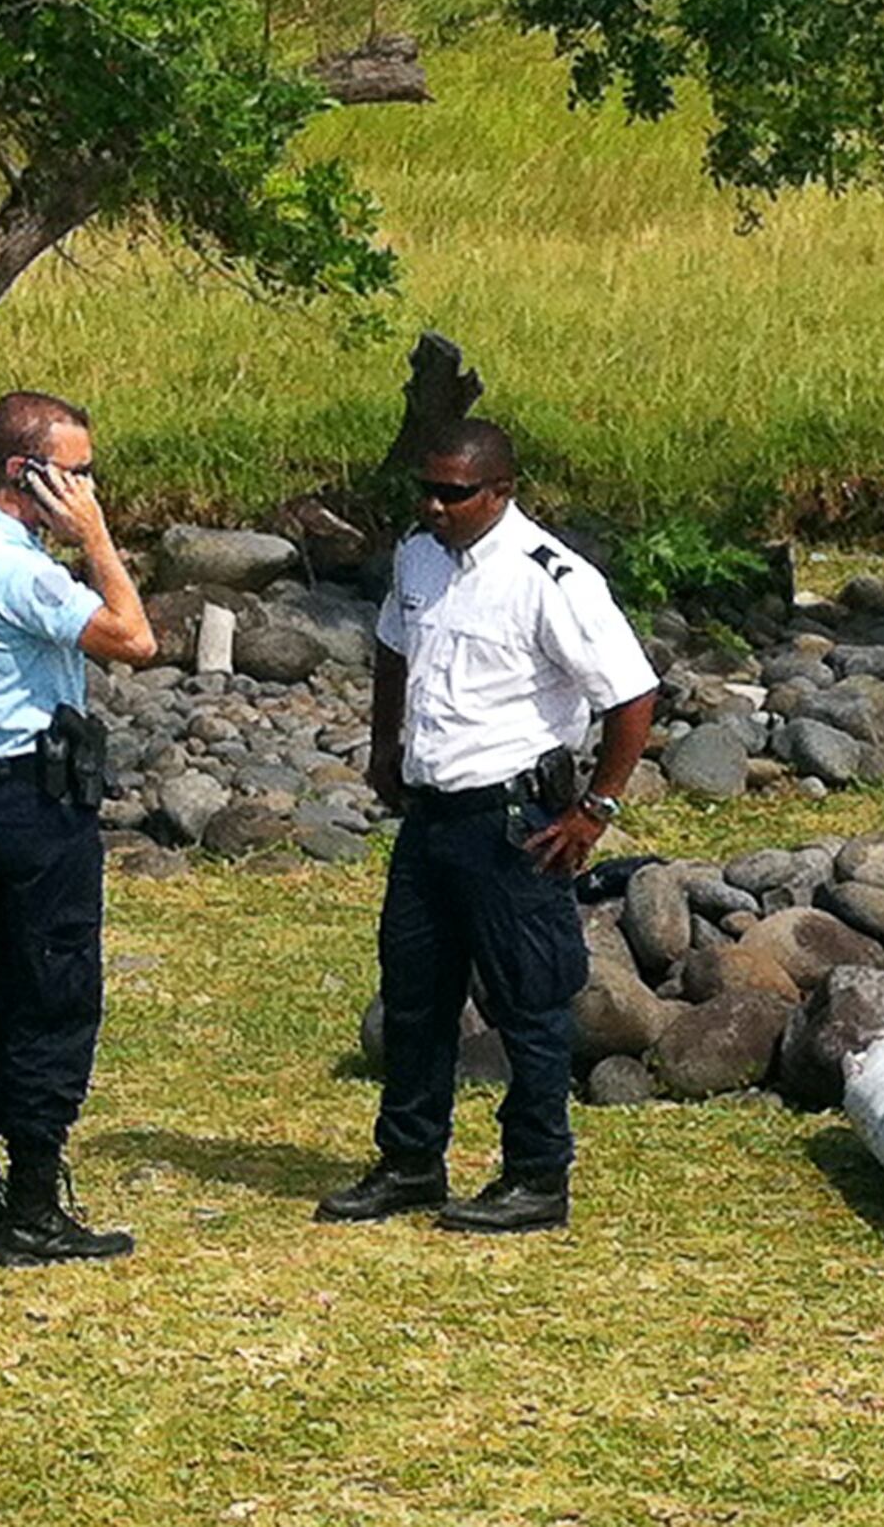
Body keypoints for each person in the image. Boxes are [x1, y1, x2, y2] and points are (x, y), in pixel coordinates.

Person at [317, 419, 659, 1235]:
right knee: (414, 997)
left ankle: (537, 1173)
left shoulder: (553, 578)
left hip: (513, 819)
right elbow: (395, 647)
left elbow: (631, 696)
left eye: (454, 493)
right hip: (432, 818)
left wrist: (595, 809)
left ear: (501, 491)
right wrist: (385, 743)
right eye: (424, 490)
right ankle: (410, 1161)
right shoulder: (418, 555)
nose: (434, 506)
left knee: (530, 1004)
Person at [0, 390, 156, 1266]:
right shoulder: (21, 569)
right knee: (53, 995)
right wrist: (94, 541)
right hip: (35, 801)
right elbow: (133, 638)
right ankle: (36, 1205)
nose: (89, 491)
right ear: (27, 473)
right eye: (77, 475)